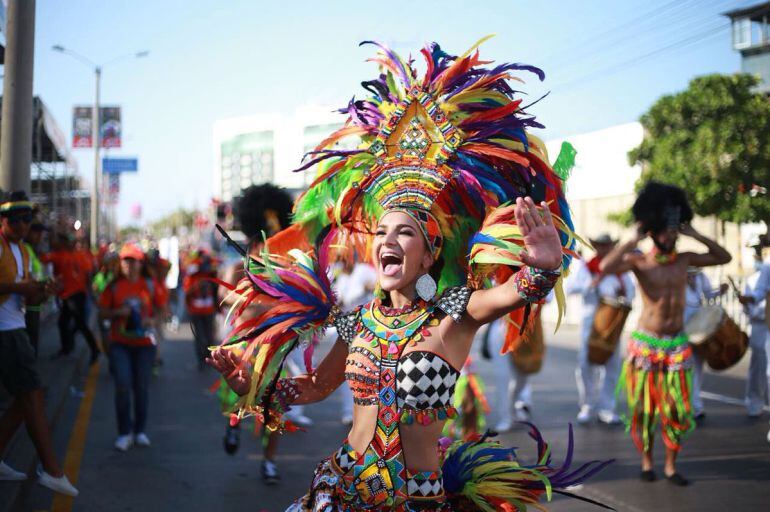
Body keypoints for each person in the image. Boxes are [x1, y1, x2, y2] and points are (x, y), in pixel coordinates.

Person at [209, 40, 609, 511]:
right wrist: (257, 388)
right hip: (342, 489)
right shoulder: (356, 321)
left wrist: (542, 264)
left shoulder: (452, 315)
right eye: (380, 232)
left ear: (429, 254)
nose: (387, 241)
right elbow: (317, 387)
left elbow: (515, 292)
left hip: (414, 501)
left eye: (405, 233)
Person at [602, 181, 731, 486]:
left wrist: (695, 234)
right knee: (645, 410)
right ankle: (647, 462)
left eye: (674, 229)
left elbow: (723, 257)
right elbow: (606, 267)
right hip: (646, 345)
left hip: (677, 344)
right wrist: (630, 238)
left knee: (676, 410)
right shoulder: (639, 261)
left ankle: (671, 467)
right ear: (653, 231)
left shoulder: (685, 259)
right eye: (666, 229)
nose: (671, 234)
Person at [217, 183, 305, 484]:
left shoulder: (285, 267)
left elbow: (295, 303)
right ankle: (233, 424)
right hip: (241, 348)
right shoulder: (239, 267)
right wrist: (257, 301)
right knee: (236, 397)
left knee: (273, 408)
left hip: (274, 349)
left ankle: (269, 462)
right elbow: (223, 297)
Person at [0, 192, 78, 496]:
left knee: (29, 396)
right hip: (6, 331)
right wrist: (23, 287)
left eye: (27, 220)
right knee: (31, 394)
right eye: (16, 220)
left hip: (16, 328)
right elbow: (18, 289)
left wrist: (46, 290)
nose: (23, 226)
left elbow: (29, 297)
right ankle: (52, 468)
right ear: (3, 220)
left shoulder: (21, 251)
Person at [98, 244, 164, 451]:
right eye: (125, 260)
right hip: (120, 345)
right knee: (123, 385)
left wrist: (153, 321)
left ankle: (140, 431)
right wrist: (118, 313)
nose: (129, 264)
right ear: (121, 263)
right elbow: (102, 313)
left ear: (140, 263)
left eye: (133, 260)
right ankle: (124, 433)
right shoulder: (114, 286)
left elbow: (163, 309)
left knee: (141, 388)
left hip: (145, 346)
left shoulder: (150, 284)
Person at [567, 233, 635, 425]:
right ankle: (587, 405)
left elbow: (631, 294)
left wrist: (624, 294)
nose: (604, 249)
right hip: (591, 325)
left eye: (607, 246)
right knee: (585, 366)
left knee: (612, 367)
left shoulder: (621, 272)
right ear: (596, 247)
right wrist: (591, 284)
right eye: (601, 246)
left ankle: (607, 408)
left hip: (612, 327)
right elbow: (570, 288)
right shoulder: (586, 268)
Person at [41, 233, 99, 363]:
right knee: (64, 322)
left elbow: (42, 258)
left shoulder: (61, 255)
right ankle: (67, 347)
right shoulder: (79, 255)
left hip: (74, 295)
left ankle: (94, 349)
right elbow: (90, 273)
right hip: (74, 294)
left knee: (79, 323)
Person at [332, 256, 377, 425]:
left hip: (369, 328)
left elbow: (381, 286)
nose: (343, 263)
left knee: (368, 371)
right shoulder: (341, 279)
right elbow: (340, 303)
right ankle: (349, 411)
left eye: (345, 258)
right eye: (340, 260)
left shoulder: (364, 271)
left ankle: (368, 412)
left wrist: (370, 287)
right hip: (347, 330)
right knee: (348, 372)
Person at [683, 267, 727, 419]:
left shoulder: (701, 277)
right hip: (682, 329)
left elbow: (709, 294)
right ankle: (688, 406)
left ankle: (695, 406)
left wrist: (720, 291)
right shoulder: (678, 279)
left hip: (699, 329)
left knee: (697, 368)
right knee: (684, 368)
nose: (693, 276)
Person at [738, 239, 769, 418]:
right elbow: (754, 302)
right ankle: (754, 403)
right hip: (760, 327)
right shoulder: (753, 278)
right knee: (759, 368)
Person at [184, 250, 219, 370]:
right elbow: (187, 292)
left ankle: (209, 358)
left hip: (209, 311)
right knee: (199, 337)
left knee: (210, 336)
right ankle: (201, 360)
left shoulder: (212, 275)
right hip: (196, 312)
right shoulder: (192, 275)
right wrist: (197, 286)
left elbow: (217, 292)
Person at [23, 222, 48, 356]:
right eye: (36, 233)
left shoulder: (32, 249)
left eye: (41, 234)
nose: (39, 237)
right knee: (29, 345)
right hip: (28, 304)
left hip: (35, 302)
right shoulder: (25, 249)